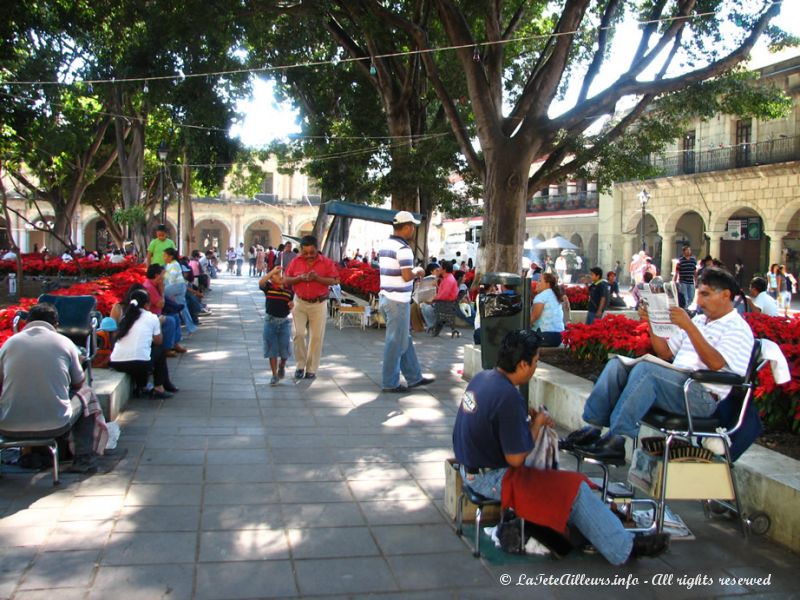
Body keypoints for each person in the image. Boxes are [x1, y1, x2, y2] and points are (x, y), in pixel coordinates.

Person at [453, 330, 670, 565]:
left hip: (470, 468)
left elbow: (492, 419)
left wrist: (524, 420)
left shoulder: (483, 378)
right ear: (523, 364)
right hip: (492, 479)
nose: (536, 367)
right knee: (574, 487)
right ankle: (624, 550)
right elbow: (516, 459)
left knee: (565, 483)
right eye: (536, 362)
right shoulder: (508, 397)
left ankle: (590, 532)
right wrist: (536, 425)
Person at [567, 268, 754, 463]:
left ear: (725, 295)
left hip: (702, 397)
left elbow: (715, 363)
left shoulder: (737, 328)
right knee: (617, 365)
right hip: (678, 385)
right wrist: (652, 322)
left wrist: (688, 327)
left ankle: (617, 439)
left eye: (705, 294)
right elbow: (665, 352)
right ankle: (593, 428)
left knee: (646, 371)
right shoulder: (699, 320)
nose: (699, 301)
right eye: (699, 294)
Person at [0, 303, 99, 473]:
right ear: (56, 325)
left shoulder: (9, 344)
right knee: (87, 395)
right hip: (55, 424)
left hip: (8, 424)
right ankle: (84, 459)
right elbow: (78, 383)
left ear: (27, 322)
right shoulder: (65, 343)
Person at [378, 211, 435, 393]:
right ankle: (390, 382)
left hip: (387, 297)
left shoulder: (386, 244)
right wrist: (418, 271)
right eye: (412, 227)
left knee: (404, 340)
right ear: (408, 227)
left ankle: (414, 377)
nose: (413, 230)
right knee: (395, 343)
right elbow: (406, 276)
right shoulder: (403, 249)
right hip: (397, 302)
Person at [283, 235, 339, 380]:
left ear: (317, 249)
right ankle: (300, 365)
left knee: (316, 337)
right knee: (298, 333)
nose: (308, 256)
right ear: (301, 250)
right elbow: (286, 279)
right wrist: (299, 278)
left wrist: (318, 278)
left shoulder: (326, 263)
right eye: (305, 253)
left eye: (311, 253)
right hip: (300, 302)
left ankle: (311, 368)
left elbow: (335, 280)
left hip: (319, 303)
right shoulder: (296, 261)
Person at [109, 289, 177, 399]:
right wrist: (159, 324)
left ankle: (142, 386)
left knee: (142, 353)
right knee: (159, 349)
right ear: (146, 305)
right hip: (139, 364)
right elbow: (158, 341)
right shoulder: (151, 317)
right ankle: (159, 388)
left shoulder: (125, 318)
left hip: (117, 363)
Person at [259, 265, 293, 386]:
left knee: (285, 348)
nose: (280, 276)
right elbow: (261, 282)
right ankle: (274, 375)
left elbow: (291, 303)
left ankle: (282, 365)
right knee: (271, 349)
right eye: (276, 274)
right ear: (271, 278)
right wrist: (271, 271)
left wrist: (291, 305)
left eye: (281, 274)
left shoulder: (289, 290)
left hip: (284, 322)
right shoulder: (268, 288)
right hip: (270, 322)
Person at [142, 263, 187, 355]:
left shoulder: (155, 285)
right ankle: (166, 348)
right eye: (163, 274)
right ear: (156, 275)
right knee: (170, 321)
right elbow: (160, 305)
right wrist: (162, 291)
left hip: (159, 312)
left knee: (175, 316)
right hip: (152, 315)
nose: (164, 277)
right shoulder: (149, 287)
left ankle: (174, 343)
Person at [530, 272, 564, 347]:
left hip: (546, 336)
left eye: (540, 281)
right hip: (559, 336)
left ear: (547, 284)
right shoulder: (554, 295)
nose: (537, 283)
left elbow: (534, 318)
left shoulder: (541, 296)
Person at [674, 245, 697, 309]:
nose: (689, 251)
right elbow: (677, 272)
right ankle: (685, 310)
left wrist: (696, 280)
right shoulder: (680, 261)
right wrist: (675, 281)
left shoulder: (693, 260)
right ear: (684, 252)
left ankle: (686, 308)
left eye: (689, 250)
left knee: (691, 297)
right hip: (683, 282)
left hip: (691, 281)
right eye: (687, 250)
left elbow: (695, 271)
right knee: (685, 297)